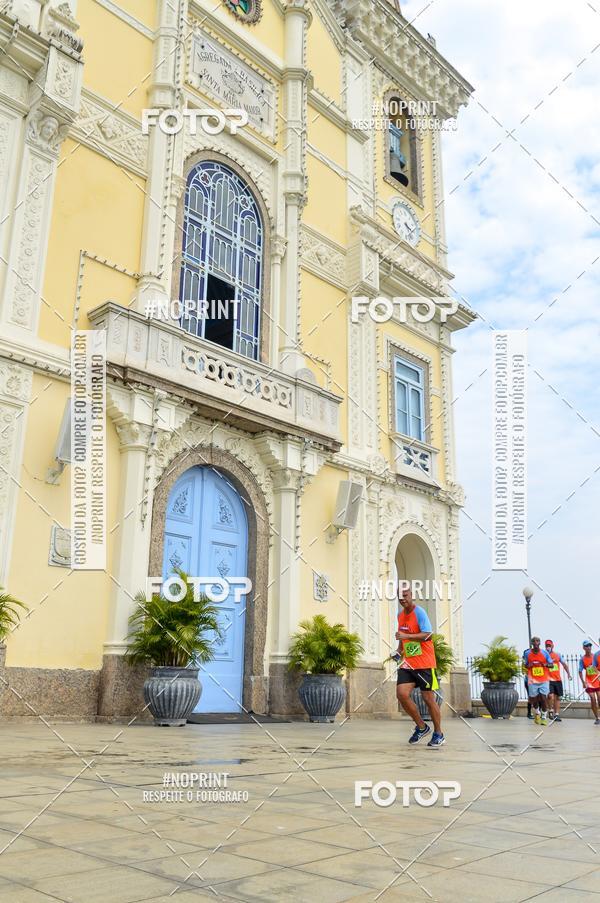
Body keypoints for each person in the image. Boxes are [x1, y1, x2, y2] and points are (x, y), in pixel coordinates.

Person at [394, 586, 444, 748]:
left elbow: (428, 634)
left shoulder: (420, 613)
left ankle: (439, 734)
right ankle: (422, 727)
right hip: (408, 663)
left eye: (405, 595)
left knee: (428, 699)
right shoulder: (400, 616)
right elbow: (402, 639)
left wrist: (407, 636)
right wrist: (398, 651)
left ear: (411, 595)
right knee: (401, 694)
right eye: (400, 596)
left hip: (425, 664)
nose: (403, 599)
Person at [523, 637, 553, 726]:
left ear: (539, 643)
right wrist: (529, 665)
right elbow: (525, 665)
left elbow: (551, 665)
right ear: (532, 643)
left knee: (544, 698)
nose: (535, 642)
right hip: (532, 679)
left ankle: (543, 717)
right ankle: (537, 713)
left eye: (537, 641)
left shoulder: (545, 653)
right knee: (534, 699)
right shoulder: (527, 653)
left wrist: (546, 664)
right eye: (534, 641)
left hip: (544, 679)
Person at [545, 639, 571, 722]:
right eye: (547, 646)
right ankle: (550, 711)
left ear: (553, 646)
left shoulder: (557, 654)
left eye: (549, 645)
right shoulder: (544, 655)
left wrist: (569, 674)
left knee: (558, 697)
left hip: (557, 679)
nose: (548, 647)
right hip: (548, 679)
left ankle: (556, 714)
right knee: (550, 696)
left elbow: (564, 664)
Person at [579, 640, 600, 724]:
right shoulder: (582, 659)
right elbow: (580, 671)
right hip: (589, 682)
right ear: (583, 648)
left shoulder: (595, 656)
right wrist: (583, 682)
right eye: (586, 646)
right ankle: (597, 718)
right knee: (593, 698)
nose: (588, 647)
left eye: (590, 646)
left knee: (599, 698)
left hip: (597, 681)